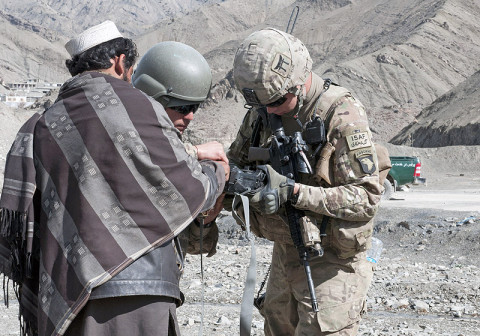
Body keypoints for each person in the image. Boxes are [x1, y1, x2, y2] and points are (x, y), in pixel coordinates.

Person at [0, 21, 228, 336]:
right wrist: (217, 171)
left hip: (71, 293)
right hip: (143, 292)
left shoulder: (45, 123)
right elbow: (186, 186)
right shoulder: (139, 106)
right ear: (119, 61)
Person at [227, 28, 383, 335]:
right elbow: (235, 163)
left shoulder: (341, 113)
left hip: (332, 260)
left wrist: (293, 192)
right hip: (285, 251)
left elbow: (367, 199)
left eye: (277, 101)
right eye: (261, 105)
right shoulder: (263, 110)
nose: (270, 110)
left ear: (300, 80)